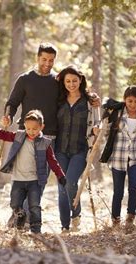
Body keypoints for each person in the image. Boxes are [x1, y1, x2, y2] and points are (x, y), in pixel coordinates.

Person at [2, 42, 101, 224]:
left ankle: (25, 216)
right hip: (25, 135)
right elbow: (12, 102)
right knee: (22, 176)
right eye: (44, 59)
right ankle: (18, 212)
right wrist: (8, 115)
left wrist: (93, 98)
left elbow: (75, 92)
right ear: (37, 58)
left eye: (51, 60)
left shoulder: (57, 81)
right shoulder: (25, 79)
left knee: (39, 179)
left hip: (49, 138)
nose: (47, 63)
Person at [0, 110, 67, 234]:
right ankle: (20, 216)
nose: (31, 132)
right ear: (24, 127)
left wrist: (60, 175)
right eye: (28, 128)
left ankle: (36, 230)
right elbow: (2, 135)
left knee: (34, 206)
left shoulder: (45, 143)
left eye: (34, 129)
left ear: (41, 127)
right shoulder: (19, 136)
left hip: (35, 181)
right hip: (18, 179)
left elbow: (52, 161)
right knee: (14, 203)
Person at [99, 86, 136, 231]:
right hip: (118, 157)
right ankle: (115, 220)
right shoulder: (117, 114)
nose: (132, 104)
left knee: (133, 188)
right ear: (125, 100)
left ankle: (130, 218)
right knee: (118, 191)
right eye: (130, 101)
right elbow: (105, 130)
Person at [55, 65, 101, 232]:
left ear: (80, 80)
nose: (71, 84)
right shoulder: (58, 100)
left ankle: (76, 213)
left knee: (70, 182)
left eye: (74, 80)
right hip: (59, 150)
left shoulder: (90, 101)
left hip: (80, 150)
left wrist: (97, 128)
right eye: (67, 81)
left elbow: (98, 121)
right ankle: (65, 226)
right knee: (61, 186)